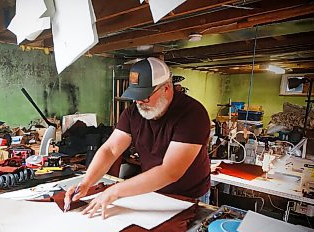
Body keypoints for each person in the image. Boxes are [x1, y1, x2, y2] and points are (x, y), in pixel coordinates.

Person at [64, 57, 211, 219]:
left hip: (188, 196)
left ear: (167, 89)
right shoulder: (134, 112)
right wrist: (86, 183)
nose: (139, 102)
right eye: (136, 95)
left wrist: (114, 191)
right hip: (152, 191)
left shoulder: (192, 114)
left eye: (145, 96)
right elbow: (111, 149)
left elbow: (170, 171)